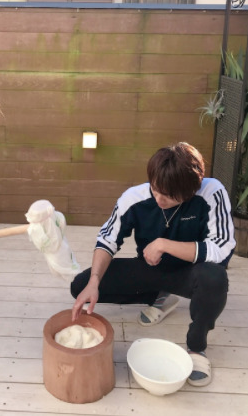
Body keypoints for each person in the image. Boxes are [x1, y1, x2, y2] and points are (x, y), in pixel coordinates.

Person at [71, 142, 235, 387]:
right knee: (81, 285)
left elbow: (222, 247)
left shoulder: (212, 192)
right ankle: (160, 297)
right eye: (155, 189)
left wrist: (164, 244)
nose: (159, 199)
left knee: (215, 278)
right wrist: (94, 281)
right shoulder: (134, 197)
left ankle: (196, 349)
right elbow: (107, 239)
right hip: (150, 268)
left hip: (191, 274)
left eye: (168, 196)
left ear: (193, 188)